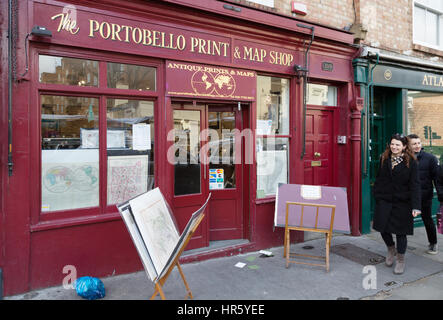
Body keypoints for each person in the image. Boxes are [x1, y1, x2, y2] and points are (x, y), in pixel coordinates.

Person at [373, 133, 421, 275]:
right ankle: (390, 249)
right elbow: (379, 178)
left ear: (404, 146)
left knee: (401, 233)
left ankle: (400, 259)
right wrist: (377, 193)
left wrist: (416, 206)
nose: (394, 147)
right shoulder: (384, 158)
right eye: (392, 144)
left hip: (403, 202)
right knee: (382, 228)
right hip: (384, 200)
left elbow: (415, 185)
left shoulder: (411, 162)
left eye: (397, 145)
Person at [408, 134, 443, 254]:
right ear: (408, 145)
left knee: (427, 220)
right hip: (408, 196)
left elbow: (437, 179)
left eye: (418, 143)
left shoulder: (431, 158)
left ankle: (433, 243)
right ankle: (402, 245)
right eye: (414, 144)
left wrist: (440, 196)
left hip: (424, 196)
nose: (417, 146)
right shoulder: (404, 158)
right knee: (403, 220)